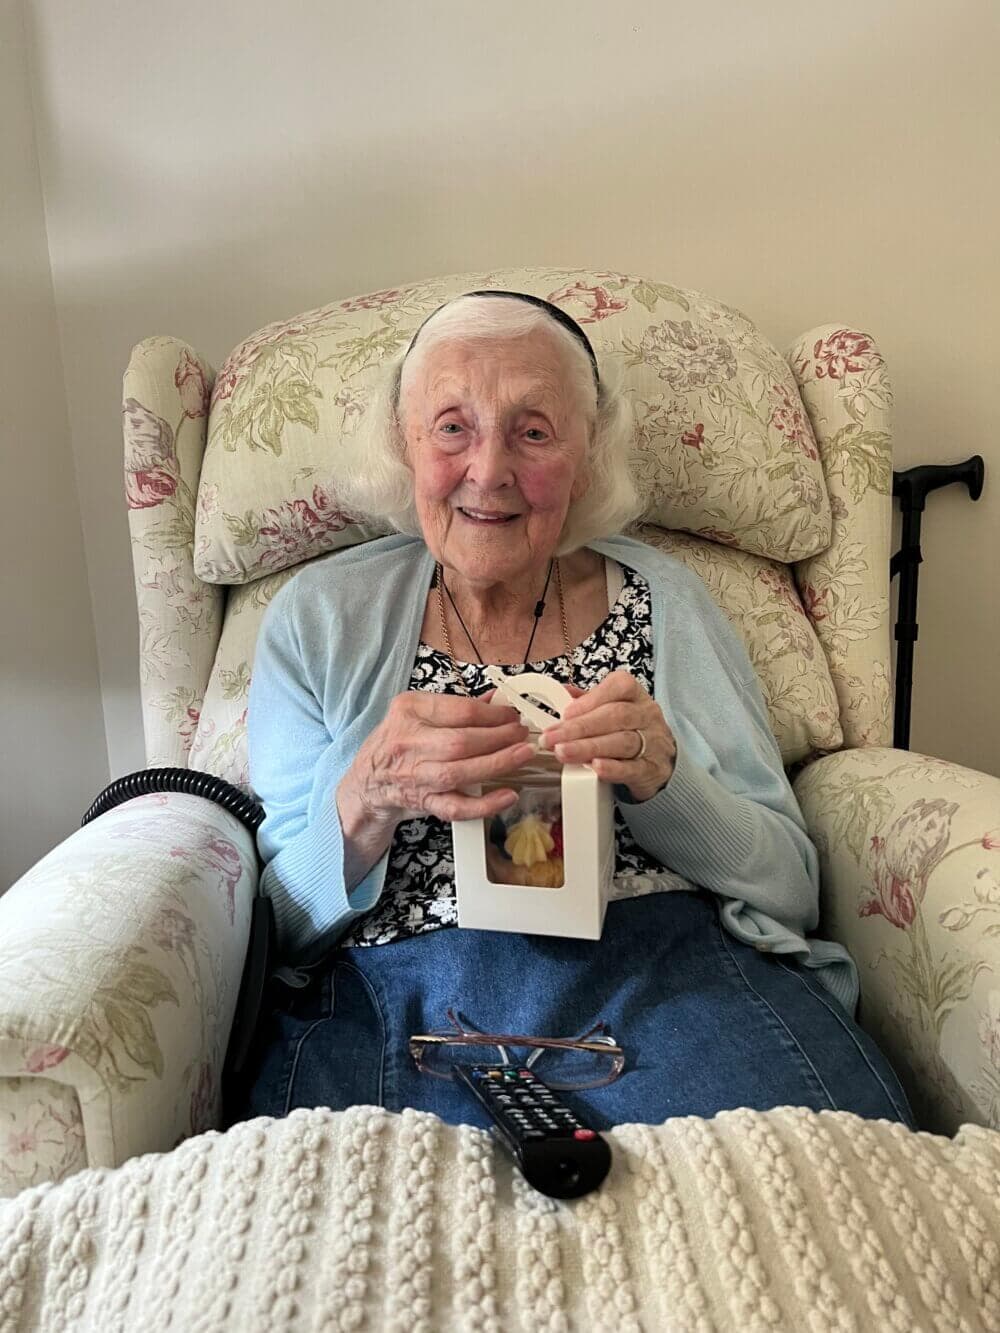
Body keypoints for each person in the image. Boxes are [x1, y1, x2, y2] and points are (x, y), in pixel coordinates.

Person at [239, 291, 913, 1132]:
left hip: (669, 977)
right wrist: (366, 799)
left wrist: (666, 784)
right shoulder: (320, 617)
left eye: (532, 431)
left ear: (587, 457)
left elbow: (790, 886)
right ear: (403, 445)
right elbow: (278, 932)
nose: (488, 471)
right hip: (402, 993)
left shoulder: (666, 600)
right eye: (452, 426)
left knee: (818, 1188)